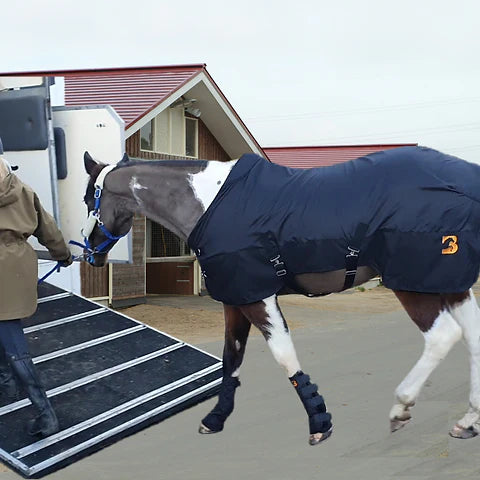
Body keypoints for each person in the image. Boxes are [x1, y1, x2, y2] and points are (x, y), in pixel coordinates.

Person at [0, 137, 72, 438]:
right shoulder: (23, 189)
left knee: (11, 340)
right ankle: (6, 386)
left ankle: (45, 412)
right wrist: (63, 256)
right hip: (16, 267)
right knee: (7, 329)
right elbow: (48, 230)